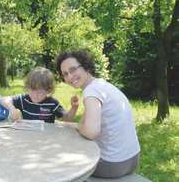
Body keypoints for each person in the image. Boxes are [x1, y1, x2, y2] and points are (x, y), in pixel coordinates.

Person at [55, 50, 140, 178]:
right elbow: (83, 123)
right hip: (132, 159)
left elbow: (90, 131)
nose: (69, 77)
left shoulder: (91, 92)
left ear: (85, 66)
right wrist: (62, 124)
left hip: (113, 164)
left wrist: (77, 127)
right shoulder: (101, 85)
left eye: (73, 70)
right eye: (65, 74)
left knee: (57, 158)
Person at [0, 67, 79, 123]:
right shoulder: (24, 99)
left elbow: (67, 119)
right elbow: (3, 99)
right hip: (28, 136)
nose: (35, 94)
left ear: (48, 90)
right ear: (28, 87)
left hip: (46, 138)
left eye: (40, 91)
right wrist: (12, 109)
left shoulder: (52, 103)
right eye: (32, 89)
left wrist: (74, 108)